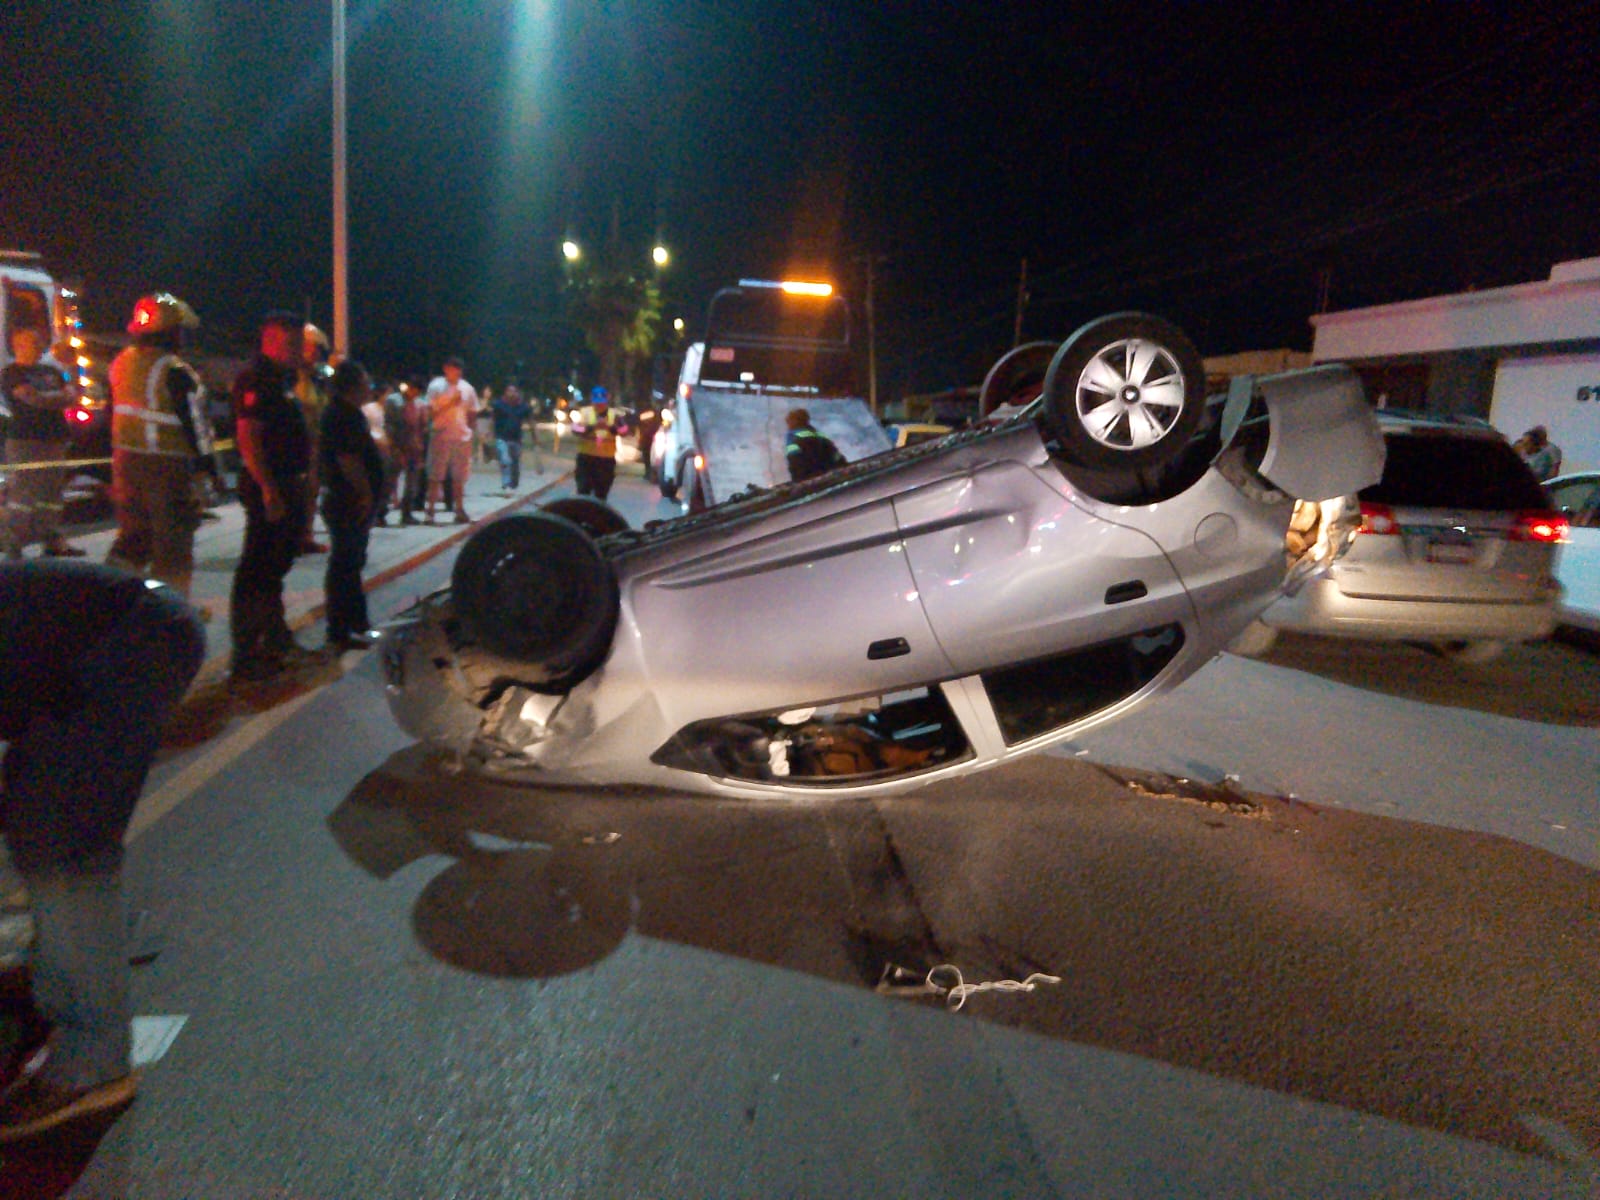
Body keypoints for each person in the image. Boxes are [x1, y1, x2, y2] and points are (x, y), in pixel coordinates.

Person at [0, 560, 205, 1141]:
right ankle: (66, 964)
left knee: (63, 849)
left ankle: (91, 1063)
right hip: (127, 632)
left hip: (129, 643)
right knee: (39, 819)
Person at [104, 293, 214, 601]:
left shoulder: (120, 363)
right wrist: (209, 469)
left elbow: (110, 414)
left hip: (125, 463)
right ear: (173, 332)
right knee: (173, 544)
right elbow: (197, 427)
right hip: (166, 469)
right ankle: (171, 608)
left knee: (134, 538)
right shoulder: (176, 371)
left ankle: (110, 598)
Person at [229, 312, 316, 683]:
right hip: (271, 487)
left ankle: (277, 641)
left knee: (274, 569)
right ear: (271, 340)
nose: (300, 351)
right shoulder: (257, 378)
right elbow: (249, 437)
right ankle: (248, 656)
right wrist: (268, 488)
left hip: (286, 485)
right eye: (293, 343)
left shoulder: (280, 379)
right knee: (257, 570)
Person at [319, 361, 385, 650]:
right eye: (366, 382)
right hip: (348, 500)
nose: (369, 387)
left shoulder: (347, 413)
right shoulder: (343, 416)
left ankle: (353, 625)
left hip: (349, 499)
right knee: (346, 566)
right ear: (354, 386)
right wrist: (365, 493)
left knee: (351, 564)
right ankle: (343, 628)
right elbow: (348, 460)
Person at [1, 327, 81, 560]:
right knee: (23, 495)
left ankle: (53, 540)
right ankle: (13, 545)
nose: (38, 348)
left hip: (55, 439)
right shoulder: (11, 373)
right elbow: (29, 398)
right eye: (32, 343)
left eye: (39, 343)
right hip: (26, 441)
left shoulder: (50, 371)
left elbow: (71, 396)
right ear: (18, 347)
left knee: (52, 494)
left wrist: (48, 399)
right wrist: (55, 399)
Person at [424, 356, 479, 525]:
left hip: (461, 437)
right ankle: (430, 511)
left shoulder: (467, 388)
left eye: (458, 369)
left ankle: (459, 509)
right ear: (445, 368)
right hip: (441, 435)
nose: (455, 372)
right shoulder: (436, 386)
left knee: (459, 476)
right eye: (452, 368)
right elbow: (430, 412)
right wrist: (450, 403)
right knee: (436, 474)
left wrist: (471, 433)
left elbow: (472, 412)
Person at [294, 324, 333, 554]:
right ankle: (296, 537)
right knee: (299, 494)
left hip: (313, 444)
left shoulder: (315, 378)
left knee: (311, 492)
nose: (316, 354)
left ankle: (306, 535)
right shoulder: (292, 376)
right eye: (314, 348)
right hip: (297, 445)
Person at [570, 386, 628, 500]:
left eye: (602, 402)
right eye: (597, 402)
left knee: (602, 493)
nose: (599, 405)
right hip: (586, 459)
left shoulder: (615, 414)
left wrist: (611, 428)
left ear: (607, 400)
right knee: (583, 491)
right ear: (592, 399)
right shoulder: (584, 412)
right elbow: (575, 429)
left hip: (606, 461)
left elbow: (624, 431)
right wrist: (591, 428)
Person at [491, 380, 533, 491]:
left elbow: (531, 422)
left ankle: (514, 484)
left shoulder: (523, 407)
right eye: (510, 391)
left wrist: (535, 437)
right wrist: (489, 434)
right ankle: (506, 483)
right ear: (505, 392)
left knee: (515, 463)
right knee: (505, 460)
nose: (512, 393)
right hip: (502, 437)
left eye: (514, 391)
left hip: (516, 439)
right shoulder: (498, 405)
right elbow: (492, 419)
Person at [784, 407, 846, 482]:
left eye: (789, 422)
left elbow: (795, 463)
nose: (788, 425)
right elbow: (838, 459)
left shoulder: (793, 437)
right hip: (833, 479)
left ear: (794, 421)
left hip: (812, 484)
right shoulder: (819, 435)